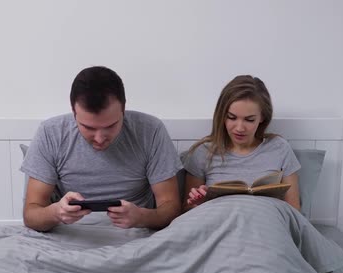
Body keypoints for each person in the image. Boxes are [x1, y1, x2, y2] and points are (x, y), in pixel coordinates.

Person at [21, 66, 182, 232]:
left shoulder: (151, 130)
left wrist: (142, 217)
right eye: (88, 127)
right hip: (70, 233)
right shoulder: (50, 133)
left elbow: (171, 207)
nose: (99, 138)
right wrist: (56, 213)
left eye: (111, 126)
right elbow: (31, 214)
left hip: (135, 233)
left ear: (123, 109)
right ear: (73, 111)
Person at [183, 75, 301, 211]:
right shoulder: (203, 152)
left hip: (265, 224)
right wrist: (198, 203)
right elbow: (186, 214)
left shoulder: (280, 148)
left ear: (262, 117)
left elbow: (294, 212)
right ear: (222, 115)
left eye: (249, 120)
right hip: (217, 223)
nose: (239, 128)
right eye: (231, 117)